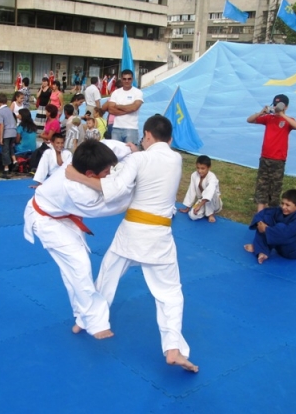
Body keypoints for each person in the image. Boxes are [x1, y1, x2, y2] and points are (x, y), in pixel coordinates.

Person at [66, 114, 198, 373]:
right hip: (160, 235)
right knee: (170, 293)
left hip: (132, 231)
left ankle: (85, 320)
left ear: (147, 134)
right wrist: (136, 156)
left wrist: (77, 176)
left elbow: (112, 189)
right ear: (169, 139)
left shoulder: (139, 159)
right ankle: (173, 347)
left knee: (107, 275)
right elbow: (154, 162)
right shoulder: (176, 158)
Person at [24, 140, 132, 339]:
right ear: (90, 174)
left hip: (61, 213)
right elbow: (112, 205)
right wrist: (137, 195)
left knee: (72, 270)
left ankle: (83, 318)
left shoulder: (80, 160)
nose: (109, 173)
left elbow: (105, 145)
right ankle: (95, 323)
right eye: (106, 171)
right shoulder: (78, 191)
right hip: (47, 222)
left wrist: (130, 149)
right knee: (79, 266)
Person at [246, 94, 296, 212]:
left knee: (275, 187)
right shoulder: (268, 118)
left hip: (278, 159)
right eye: (275, 105)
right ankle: (260, 213)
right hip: (265, 157)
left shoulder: (287, 121)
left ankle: (272, 212)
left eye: (280, 105)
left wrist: (282, 114)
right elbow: (249, 120)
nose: (276, 107)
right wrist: (261, 112)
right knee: (262, 184)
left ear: (286, 107)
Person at [244, 189, 296, 264]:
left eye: (287, 205)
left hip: (293, 251)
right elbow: (264, 213)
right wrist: (260, 223)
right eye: (282, 203)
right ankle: (261, 251)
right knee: (266, 219)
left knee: (279, 227)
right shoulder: (280, 210)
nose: (283, 207)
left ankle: (259, 247)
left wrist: (266, 229)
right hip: (281, 245)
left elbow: (284, 235)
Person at [178, 155, 222, 222]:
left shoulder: (212, 177)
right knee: (192, 216)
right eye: (198, 168)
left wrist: (199, 205)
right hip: (202, 200)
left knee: (211, 193)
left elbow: (209, 193)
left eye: (202, 168)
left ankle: (210, 214)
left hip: (214, 202)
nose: (199, 171)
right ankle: (205, 211)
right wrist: (187, 208)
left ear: (209, 167)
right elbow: (191, 190)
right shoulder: (194, 175)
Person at [107, 69, 143, 145]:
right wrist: (129, 109)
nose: (127, 81)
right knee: (116, 155)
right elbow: (111, 110)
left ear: (132, 79)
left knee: (131, 154)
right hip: (116, 127)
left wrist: (118, 106)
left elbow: (135, 107)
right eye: (124, 79)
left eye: (129, 79)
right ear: (121, 80)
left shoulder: (138, 92)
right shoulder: (116, 93)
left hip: (131, 128)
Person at [0, 93, 17, 178]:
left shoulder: (0, 111)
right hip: (13, 131)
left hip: (6, 133)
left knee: (5, 150)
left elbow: (1, 125)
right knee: (10, 148)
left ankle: (6, 169)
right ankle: (14, 161)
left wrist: (0, 138)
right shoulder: (9, 110)